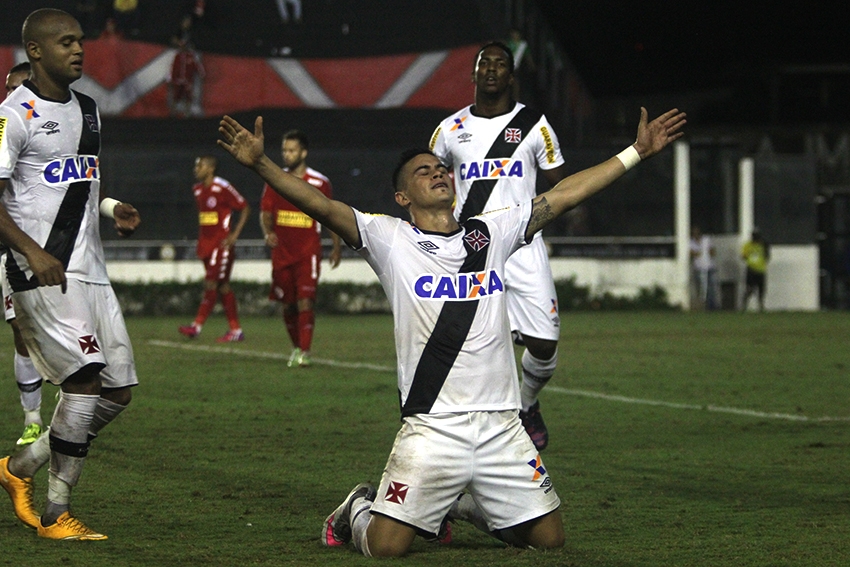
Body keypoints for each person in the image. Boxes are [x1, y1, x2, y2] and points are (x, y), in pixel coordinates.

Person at [216, 103, 685, 556]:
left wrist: (635, 153)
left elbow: (563, 195)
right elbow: (319, 204)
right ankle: (354, 510)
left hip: (502, 424)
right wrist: (262, 166)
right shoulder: (389, 238)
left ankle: (458, 504)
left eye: (441, 168)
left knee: (549, 540)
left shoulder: (490, 232)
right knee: (386, 548)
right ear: (402, 197)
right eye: (423, 171)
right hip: (433, 427)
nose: (438, 172)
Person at [0, 8, 141, 540]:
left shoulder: (89, 109)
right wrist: (32, 253)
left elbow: (76, 185)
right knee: (83, 384)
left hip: (91, 270)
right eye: (65, 42)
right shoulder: (10, 116)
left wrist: (112, 208)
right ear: (35, 51)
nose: (79, 50)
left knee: (117, 391)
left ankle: (17, 470)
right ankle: (57, 514)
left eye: (80, 41)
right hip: (41, 272)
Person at [429, 42, 567, 451]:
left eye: (500, 64)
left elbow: (562, 185)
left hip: (524, 245)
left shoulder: (534, 125)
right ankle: (484, 434)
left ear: (511, 76)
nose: (491, 69)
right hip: (473, 249)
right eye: (483, 63)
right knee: (485, 347)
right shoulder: (449, 130)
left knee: (544, 346)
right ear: (472, 75)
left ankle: (527, 404)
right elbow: (427, 182)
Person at [260, 130, 341, 367]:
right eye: (285, 150)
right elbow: (265, 213)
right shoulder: (275, 180)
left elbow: (331, 216)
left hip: (308, 252)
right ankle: (296, 347)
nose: (287, 154)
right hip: (282, 253)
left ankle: (304, 352)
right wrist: (268, 232)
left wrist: (336, 246)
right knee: (288, 304)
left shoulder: (319, 182)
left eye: (292, 150)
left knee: (306, 301)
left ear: (303, 152)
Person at [2, 61, 45, 448]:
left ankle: (73, 407)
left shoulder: (59, 130)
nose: (13, 97)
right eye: (8, 89)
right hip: (14, 252)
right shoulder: (4, 128)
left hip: (64, 249)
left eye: (19, 88)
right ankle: (32, 417)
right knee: (22, 331)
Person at [179, 155, 250, 342]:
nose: (196, 169)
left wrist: (234, 236)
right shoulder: (197, 190)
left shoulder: (222, 187)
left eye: (200, 166)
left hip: (221, 245)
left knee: (211, 284)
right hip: (206, 245)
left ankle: (196, 326)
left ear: (210, 168)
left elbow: (244, 207)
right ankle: (236, 330)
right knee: (222, 286)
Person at [690, 225, 718, 310]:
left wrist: (705, 252)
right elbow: (692, 254)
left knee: (711, 287)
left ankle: (711, 306)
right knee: (702, 288)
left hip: (709, 267)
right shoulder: (691, 242)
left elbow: (712, 252)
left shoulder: (706, 240)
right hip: (699, 268)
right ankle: (704, 305)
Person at [741, 229, 770, 311]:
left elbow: (767, 256)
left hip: (761, 270)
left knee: (761, 289)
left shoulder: (763, 245)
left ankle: (761, 305)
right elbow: (743, 256)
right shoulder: (748, 245)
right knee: (750, 288)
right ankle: (744, 305)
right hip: (751, 269)